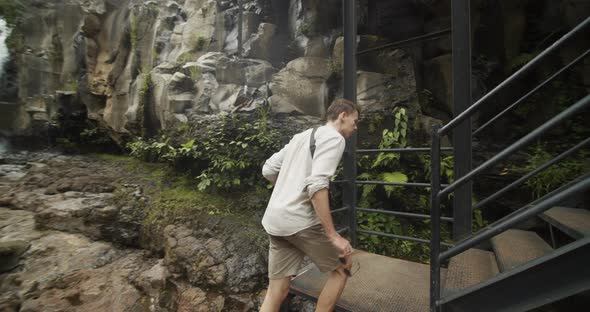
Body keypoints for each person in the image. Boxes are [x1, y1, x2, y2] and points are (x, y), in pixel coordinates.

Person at [260, 98, 360, 312]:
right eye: (354, 120)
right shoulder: (335, 138)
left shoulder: (301, 136)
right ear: (342, 115)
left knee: (276, 290)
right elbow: (316, 186)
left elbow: (268, 169)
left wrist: (289, 188)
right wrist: (333, 236)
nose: (355, 126)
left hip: (274, 221)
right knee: (343, 268)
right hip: (299, 221)